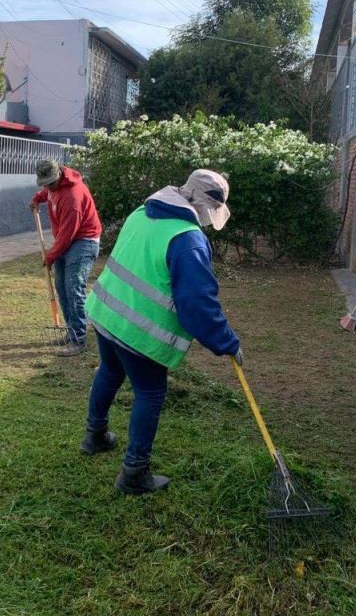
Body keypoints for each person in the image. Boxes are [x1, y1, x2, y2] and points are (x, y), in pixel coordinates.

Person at [82, 169, 242, 495]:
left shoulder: (143, 212)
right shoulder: (187, 240)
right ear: (204, 206)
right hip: (138, 331)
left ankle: (94, 436)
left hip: (106, 312)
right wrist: (227, 343)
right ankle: (134, 473)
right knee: (150, 393)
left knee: (110, 371)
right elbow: (198, 305)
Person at [28, 159, 102, 356]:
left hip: (83, 242)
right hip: (67, 240)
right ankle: (71, 333)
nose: (48, 186)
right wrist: (37, 198)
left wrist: (51, 256)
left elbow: (68, 234)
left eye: (51, 182)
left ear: (59, 174)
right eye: (45, 183)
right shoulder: (53, 186)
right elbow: (48, 193)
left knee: (73, 287)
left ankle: (78, 339)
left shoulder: (72, 197)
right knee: (61, 287)